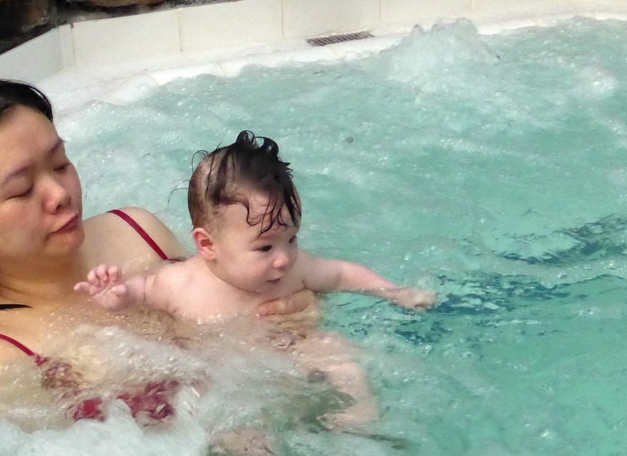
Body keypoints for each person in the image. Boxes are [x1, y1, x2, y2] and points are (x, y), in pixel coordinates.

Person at [0, 79, 317, 424]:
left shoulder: (136, 232)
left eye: (60, 164)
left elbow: (240, 298)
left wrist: (290, 313)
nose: (59, 193)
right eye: (22, 190)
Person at [75, 130, 437, 428]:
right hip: (219, 366)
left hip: (290, 351)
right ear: (207, 244)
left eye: (291, 238)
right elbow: (138, 294)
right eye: (264, 248)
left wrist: (395, 292)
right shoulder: (180, 284)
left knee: (335, 350)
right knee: (207, 396)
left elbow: (342, 273)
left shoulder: (293, 270)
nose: (284, 258)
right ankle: (242, 441)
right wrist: (116, 295)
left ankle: (360, 409)